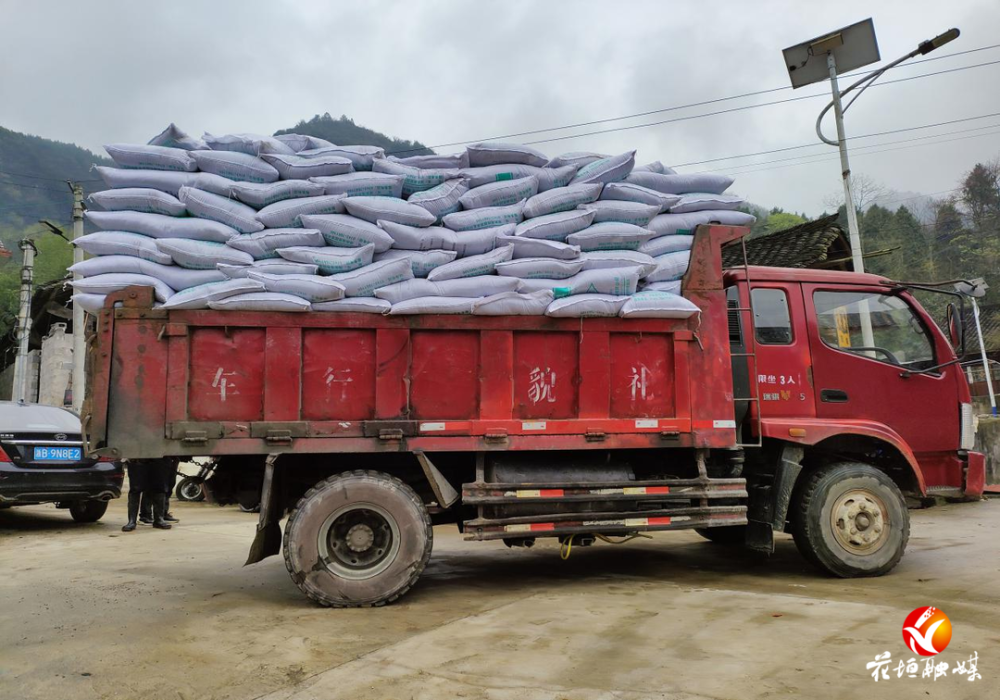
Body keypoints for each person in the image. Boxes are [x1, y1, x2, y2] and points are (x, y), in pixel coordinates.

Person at [122, 459, 172, 531]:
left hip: (160, 459)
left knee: (160, 488)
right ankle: (132, 521)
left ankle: (159, 519)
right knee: (135, 489)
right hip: (137, 459)